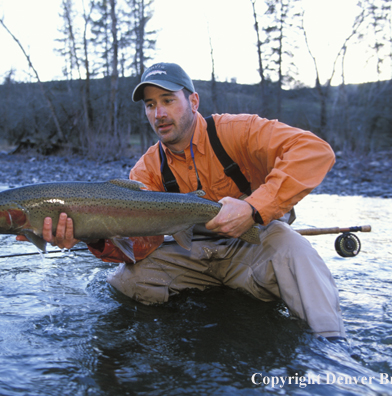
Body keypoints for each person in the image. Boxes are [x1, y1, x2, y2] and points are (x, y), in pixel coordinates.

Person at [17, 62, 346, 341]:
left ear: (193, 101)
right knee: (125, 281)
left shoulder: (239, 131)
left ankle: (332, 346)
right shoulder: (145, 171)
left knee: (293, 247)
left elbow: (314, 152)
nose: (158, 113)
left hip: (252, 244)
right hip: (190, 254)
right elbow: (139, 247)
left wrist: (252, 208)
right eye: (149, 105)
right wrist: (93, 235)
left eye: (168, 100)